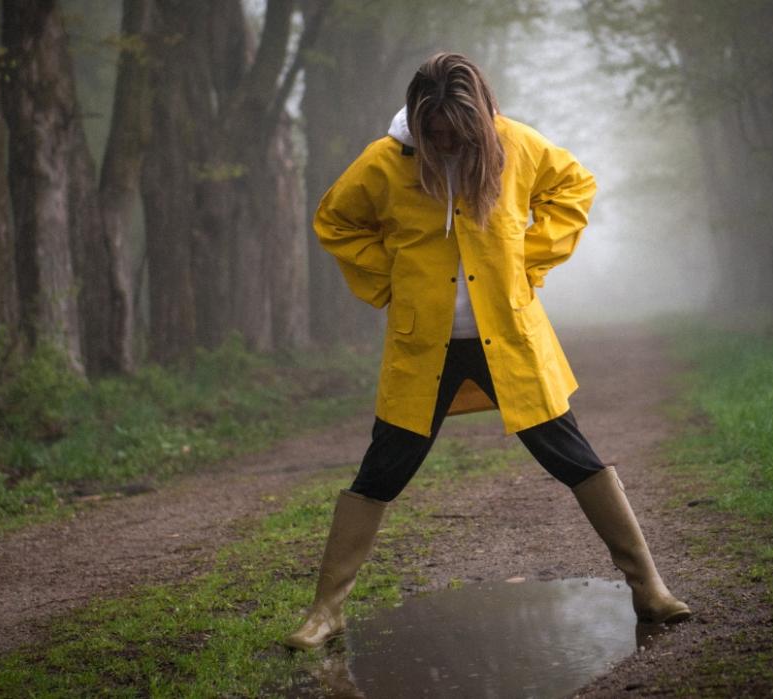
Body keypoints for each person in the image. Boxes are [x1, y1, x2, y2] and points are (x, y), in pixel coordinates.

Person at [283, 52, 691, 652]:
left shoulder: (514, 145)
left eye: (456, 131)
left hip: (511, 341)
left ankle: (649, 589)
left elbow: (574, 185)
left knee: (573, 457)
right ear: (419, 118)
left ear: (477, 119)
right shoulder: (384, 162)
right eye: (436, 131)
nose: (446, 141)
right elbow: (335, 223)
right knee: (382, 471)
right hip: (424, 348)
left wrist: (527, 258)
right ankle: (326, 613)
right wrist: (391, 277)